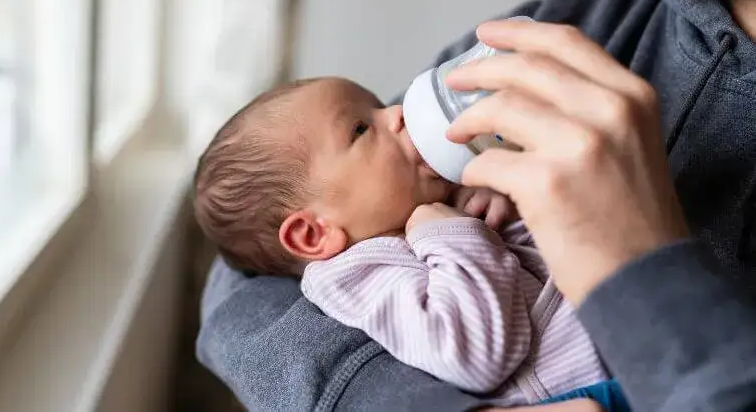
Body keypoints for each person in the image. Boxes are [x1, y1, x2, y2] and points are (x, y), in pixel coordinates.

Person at [197, 0, 756, 410]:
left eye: (369, 117)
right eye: (362, 126)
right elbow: (244, 275)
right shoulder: (593, 21)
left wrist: (640, 268)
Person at [193, 76, 629, 409]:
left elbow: (546, 257)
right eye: (362, 129)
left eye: (380, 108)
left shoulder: (433, 208)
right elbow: (474, 354)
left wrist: (501, 202)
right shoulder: (357, 275)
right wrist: (447, 230)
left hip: (631, 342)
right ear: (314, 233)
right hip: (585, 390)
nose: (398, 113)